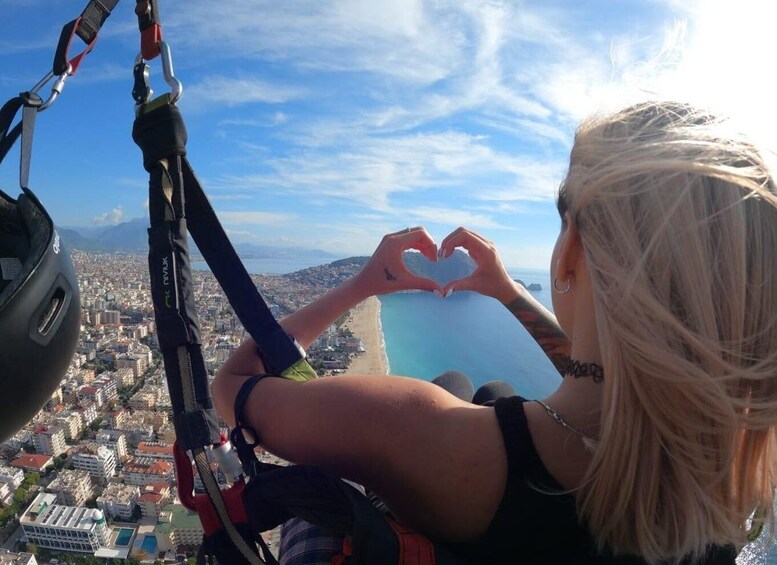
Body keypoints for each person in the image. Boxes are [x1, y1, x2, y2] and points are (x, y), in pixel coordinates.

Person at [211, 101, 777, 564]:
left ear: (572, 250)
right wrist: (508, 291)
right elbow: (612, 375)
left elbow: (232, 386)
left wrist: (359, 287)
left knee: (466, 386)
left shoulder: (429, 434)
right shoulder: (729, 482)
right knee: (495, 393)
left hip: (458, 476)